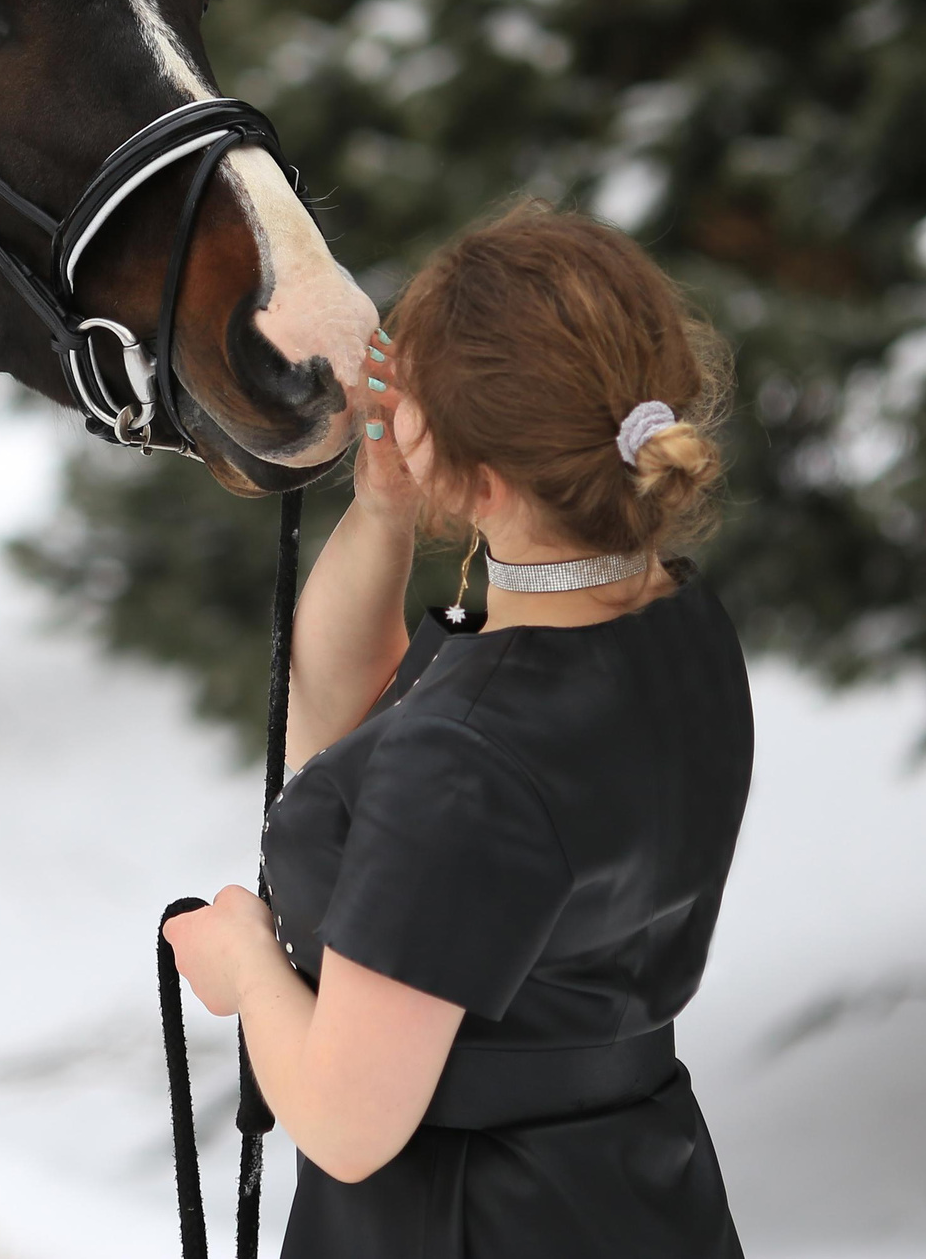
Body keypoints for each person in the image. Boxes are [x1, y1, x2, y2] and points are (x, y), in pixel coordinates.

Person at [163, 199, 752, 1257]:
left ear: (477, 476)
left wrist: (247, 964)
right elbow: (353, 732)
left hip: (463, 1223)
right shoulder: (676, 629)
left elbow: (347, 1123)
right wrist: (386, 510)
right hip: (639, 1197)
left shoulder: (467, 757)